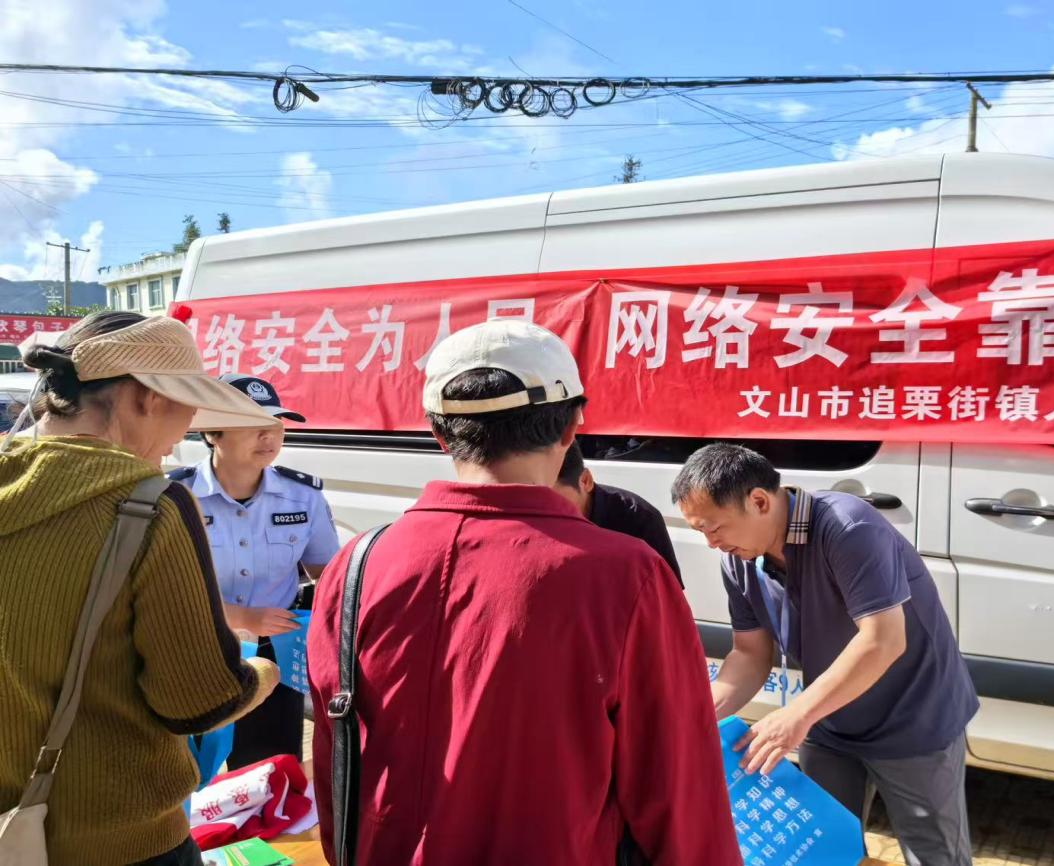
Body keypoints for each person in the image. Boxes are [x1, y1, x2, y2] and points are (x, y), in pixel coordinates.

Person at [307, 320, 741, 866]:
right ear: (571, 429)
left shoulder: (355, 564)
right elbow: (680, 794)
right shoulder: (627, 576)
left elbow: (335, 762)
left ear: (439, 434)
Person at [0, 312, 280, 866]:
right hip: (123, 838)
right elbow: (197, 701)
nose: (182, 437)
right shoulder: (149, 504)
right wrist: (261, 675)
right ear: (148, 397)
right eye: (187, 411)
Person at [672, 443, 978, 866]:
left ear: (759, 501)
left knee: (934, 855)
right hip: (830, 719)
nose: (710, 543)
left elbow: (883, 640)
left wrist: (796, 715)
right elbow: (749, 653)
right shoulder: (739, 559)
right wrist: (694, 719)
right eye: (700, 532)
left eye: (714, 528)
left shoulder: (847, 528)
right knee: (823, 851)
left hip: (913, 719)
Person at [169, 373, 340, 769]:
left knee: (271, 772)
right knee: (191, 771)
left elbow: (329, 574)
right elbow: (162, 589)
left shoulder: (303, 497)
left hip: (274, 656)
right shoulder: (176, 497)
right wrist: (240, 617)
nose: (269, 436)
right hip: (195, 650)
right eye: (252, 424)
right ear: (213, 433)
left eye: (275, 424)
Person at [553, 442, 683, 585]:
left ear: (586, 481)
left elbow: (668, 590)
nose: (546, 510)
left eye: (555, 502)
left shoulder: (639, 518)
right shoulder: (538, 519)